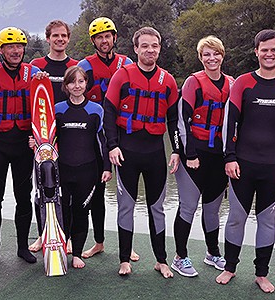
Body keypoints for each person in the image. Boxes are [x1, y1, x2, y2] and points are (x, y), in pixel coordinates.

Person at [215, 29, 275, 293]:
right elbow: (228, 122)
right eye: (264, 49)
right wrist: (229, 157)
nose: (269, 54)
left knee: (266, 221)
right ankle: (230, 267)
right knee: (235, 218)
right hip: (242, 164)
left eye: (274, 49)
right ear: (256, 52)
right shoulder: (242, 83)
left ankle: (261, 273)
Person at [104, 27, 179, 278]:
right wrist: (112, 145)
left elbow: (173, 120)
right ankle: (125, 259)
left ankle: (161, 260)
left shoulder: (167, 81)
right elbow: (109, 112)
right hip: (127, 151)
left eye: (154, 45)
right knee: (126, 206)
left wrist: (176, 150)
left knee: (156, 208)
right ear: (135, 48)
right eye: (144, 45)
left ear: (159, 48)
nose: (150, 50)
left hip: (156, 152)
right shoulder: (122, 76)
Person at [28, 66, 112, 268]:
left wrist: (107, 168)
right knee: (61, 211)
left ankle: (77, 255)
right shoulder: (57, 110)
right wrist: (35, 144)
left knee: (81, 212)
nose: (77, 86)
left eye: (81, 81)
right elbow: (47, 138)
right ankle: (60, 249)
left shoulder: (96, 110)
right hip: (62, 170)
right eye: (72, 82)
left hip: (87, 170)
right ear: (66, 86)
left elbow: (103, 142)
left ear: (86, 84)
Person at [0, 26, 44, 267]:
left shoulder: (35, 73)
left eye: (19, 46)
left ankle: (22, 247)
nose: (16, 51)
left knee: (23, 197)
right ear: (1, 50)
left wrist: (41, 140)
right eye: (10, 46)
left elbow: (42, 111)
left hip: (24, 143)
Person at [77, 16, 138, 261]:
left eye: (107, 36)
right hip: (97, 134)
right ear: (93, 40)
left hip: (124, 133)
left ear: (114, 38)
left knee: (128, 194)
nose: (104, 40)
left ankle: (127, 246)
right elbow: (75, 92)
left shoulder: (127, 63)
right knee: (97, 192)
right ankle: (99, 242)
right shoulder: (86, 66)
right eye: (99, 37)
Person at [172, 35, 232, 277]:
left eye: (215, 53)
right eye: (206, 54)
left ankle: (212, 253)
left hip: (219, 156)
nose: (212, 58)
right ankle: (180, 257)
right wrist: (189, 154)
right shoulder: (193, 83)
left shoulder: (232, 83)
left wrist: (231, 156)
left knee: (212, 209)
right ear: (200, 58)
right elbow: (181, 121)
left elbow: (236, 123)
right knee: (187, 207)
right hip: (195, 155)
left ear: (222, 55)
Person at [28, 19, 79, 253]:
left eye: (64, 36)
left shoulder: (75, 66)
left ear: (68, 38)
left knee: (65, 191)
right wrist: (34, 135)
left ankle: (65, 236)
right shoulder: (36, 65)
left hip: (68, 136)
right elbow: (30, 101)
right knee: (40, 189)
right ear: (48, 38)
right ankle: (42, 235)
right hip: (42, 138)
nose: (60, 39)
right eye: (55, 36)